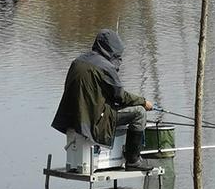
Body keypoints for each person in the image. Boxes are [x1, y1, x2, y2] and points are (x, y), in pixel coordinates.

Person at [51, 29, 155, 172]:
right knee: (139, 113)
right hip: (94, 120)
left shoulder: (78, 61)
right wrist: (143, 101)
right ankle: (133, 160)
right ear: (112, 50)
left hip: (73, 118)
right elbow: (120, 96)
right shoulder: (105, 67)